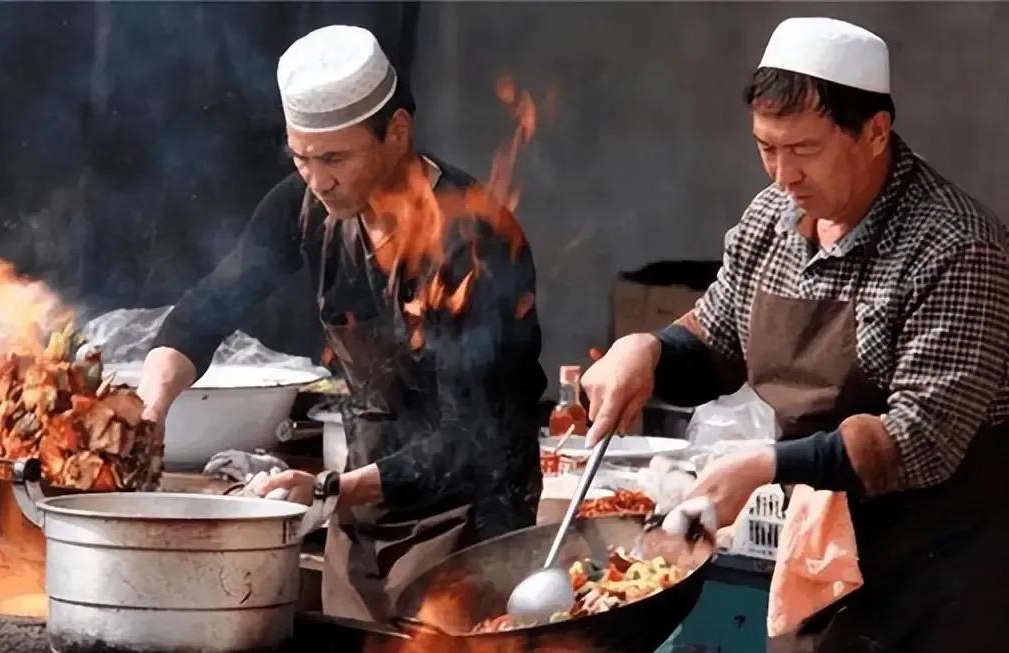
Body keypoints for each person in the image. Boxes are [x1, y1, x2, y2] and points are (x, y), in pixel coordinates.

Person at [582, 17, 1009, 651]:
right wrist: (647, 351)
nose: (783, 175)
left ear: (874, 132)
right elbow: (717, 341)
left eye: (803, 149)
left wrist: (764, 464)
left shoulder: (955, 245)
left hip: (945, 570)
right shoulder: (772, 218)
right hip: (828, 556)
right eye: (766, 148)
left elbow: (919, 439)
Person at [136, 24, 546, 621]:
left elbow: (472, 438)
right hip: (364, 511)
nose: (317, 178)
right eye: (300, 157)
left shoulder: (473, 240)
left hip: (472, 518)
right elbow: (208, 309)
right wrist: (152, 411)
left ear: (397, 132)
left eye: (334, 158)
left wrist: (326, 490)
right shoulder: (302, 208)